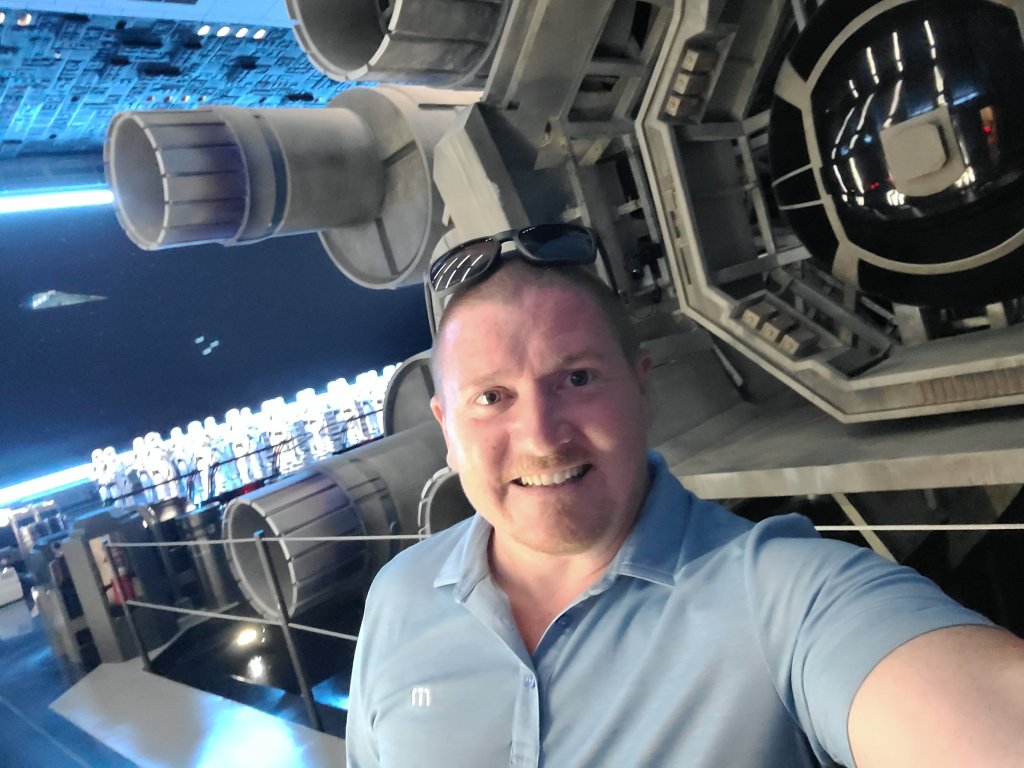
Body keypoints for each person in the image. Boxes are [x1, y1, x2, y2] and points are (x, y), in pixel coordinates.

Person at [346, 225, 1024, 767]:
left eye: (577, 378)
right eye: (492, 397)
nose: (542, 436)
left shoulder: (783, 600)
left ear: (644, 389)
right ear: (446, 430)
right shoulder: (399, 596)